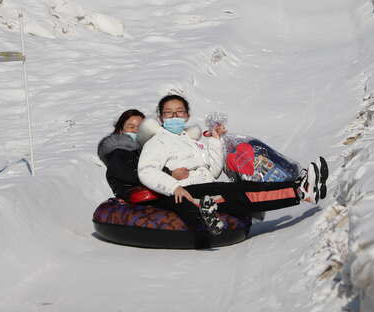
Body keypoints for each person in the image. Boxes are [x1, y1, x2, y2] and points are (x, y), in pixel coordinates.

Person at [136, 95, 327, 247]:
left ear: (187, 115)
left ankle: (300, 186)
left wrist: (215, 140)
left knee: (243, 186)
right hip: (186, 190)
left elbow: (213, 170)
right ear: (161, 117)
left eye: (179, 112)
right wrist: (173, 187)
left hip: (205, 185)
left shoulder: (190, 140)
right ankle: (300, 191)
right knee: (240, 192)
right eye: (169, 113)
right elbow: (146, 170)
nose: (175, 116)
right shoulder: (157, 142)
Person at [98, 109, 146, 199]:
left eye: (140, 128)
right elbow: (134, 176)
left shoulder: (144, 150)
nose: (136, 131)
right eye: (131, 127)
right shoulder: (118, 153)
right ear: (121, 131)